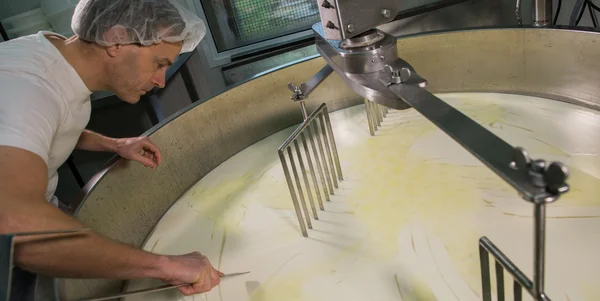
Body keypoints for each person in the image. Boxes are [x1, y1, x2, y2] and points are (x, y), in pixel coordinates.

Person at [0, 0, 223, 299]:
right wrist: (166, 265)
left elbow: (41, 128)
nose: (159, 81)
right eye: (159, 63)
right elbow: (13, 224)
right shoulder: (27, 88)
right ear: (116, 39)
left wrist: (112, 143)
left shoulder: (54, 52)